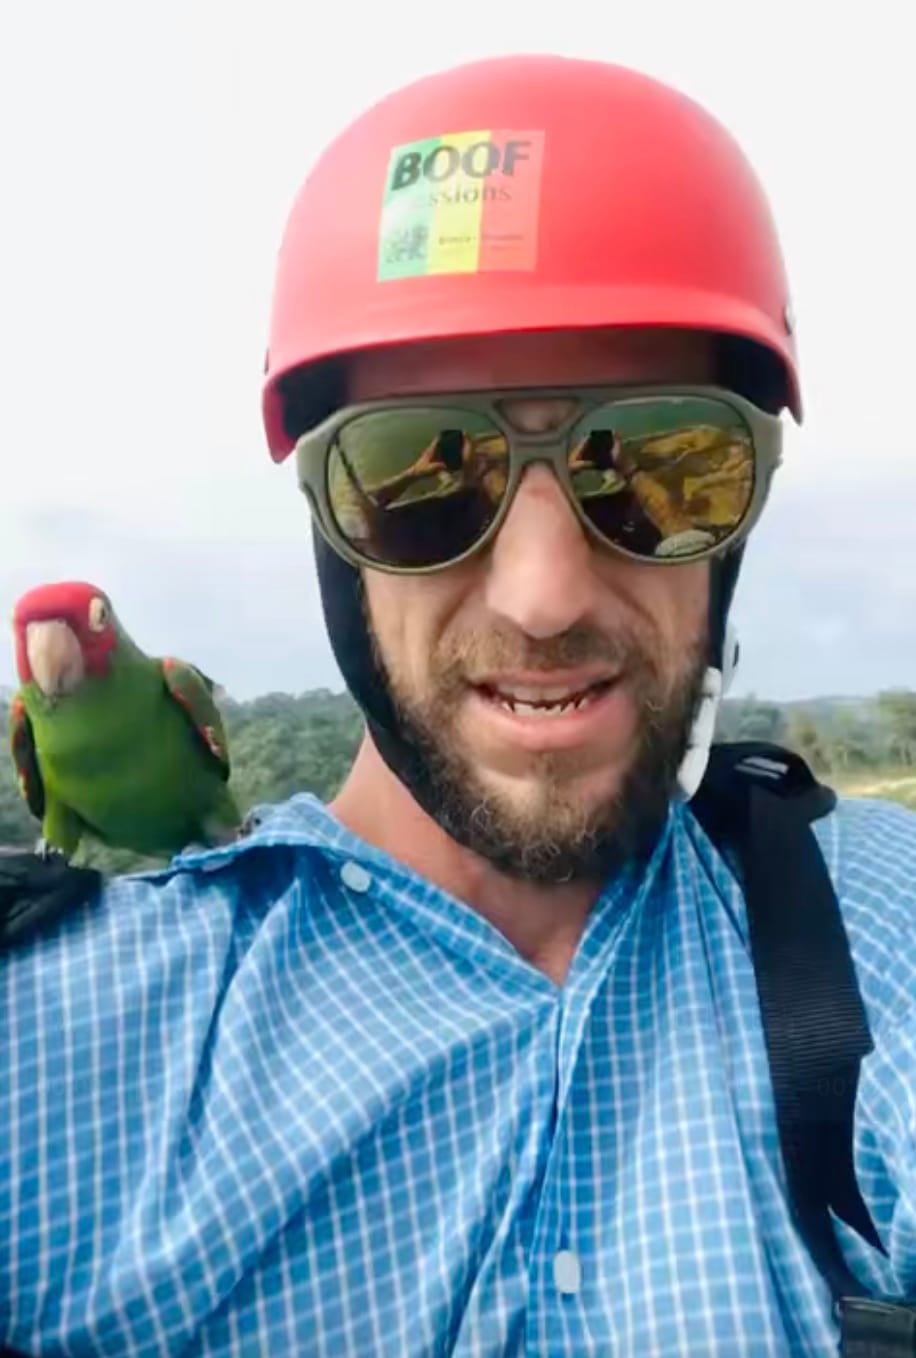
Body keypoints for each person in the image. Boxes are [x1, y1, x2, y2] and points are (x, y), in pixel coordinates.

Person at [2, 53, 915, 1358]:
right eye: (420, 478)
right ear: (330, 529)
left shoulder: (881, 931)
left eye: (659, 465)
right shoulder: (75, 1046)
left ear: (741, 521)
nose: (544, 596)